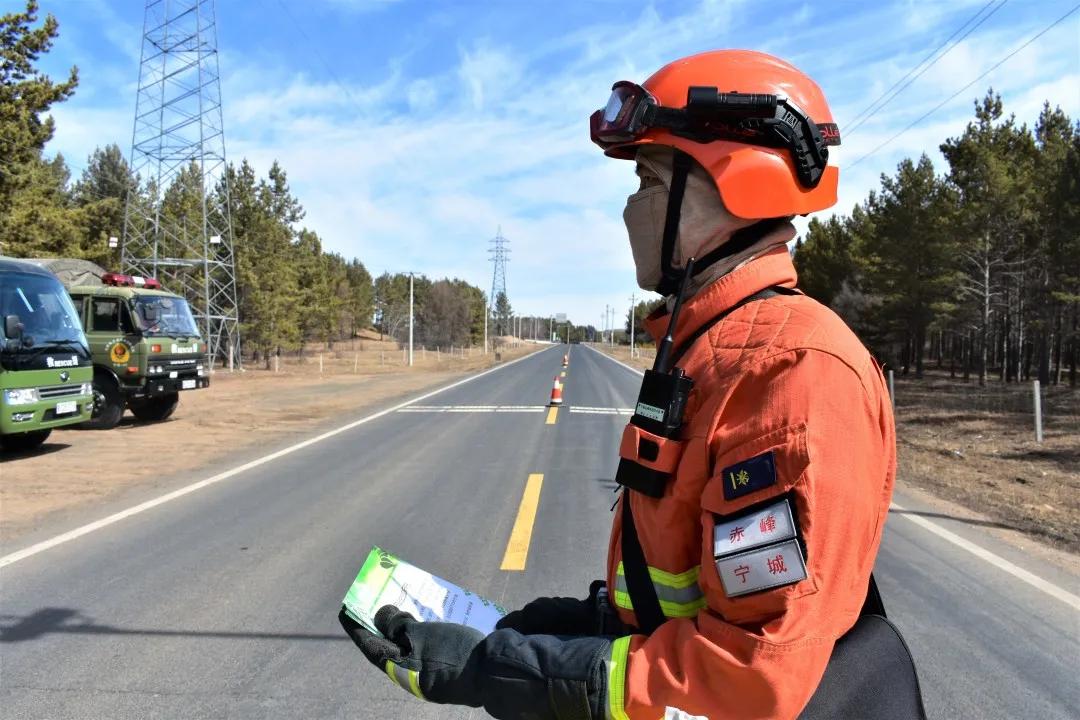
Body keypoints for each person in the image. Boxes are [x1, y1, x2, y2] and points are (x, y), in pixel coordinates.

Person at [339, 49, 897, 719]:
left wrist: (516, 672)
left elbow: (751, 675)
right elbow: (696, 593)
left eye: (648, 180)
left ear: (734, 184)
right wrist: (583, 625)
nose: (631, 208)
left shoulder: (792, 375)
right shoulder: (709, 352)